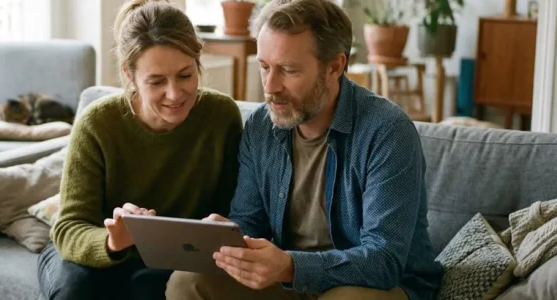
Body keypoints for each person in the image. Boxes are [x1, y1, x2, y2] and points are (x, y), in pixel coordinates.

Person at [166, 0, 443, 299]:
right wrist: (230, 236)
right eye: (264, 67)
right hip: (290, 280)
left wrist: (290, 266)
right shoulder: (261, 126)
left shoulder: (387, 131)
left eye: (288, 70)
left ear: (334, 67)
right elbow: (250, 221)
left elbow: (383, 261)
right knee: (188, 282)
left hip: (376, 286)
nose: (270, 86)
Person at [37, 0, 244, 299]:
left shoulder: (221, 116)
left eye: (186, 75)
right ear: (130, 75)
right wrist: (113, 240)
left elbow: (232, 212)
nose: (174, 94)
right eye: (157, 81)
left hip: (167, 261)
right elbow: (69, 228)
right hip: (89, 255)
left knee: (149, 291)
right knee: (76, 292)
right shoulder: (98, 123)